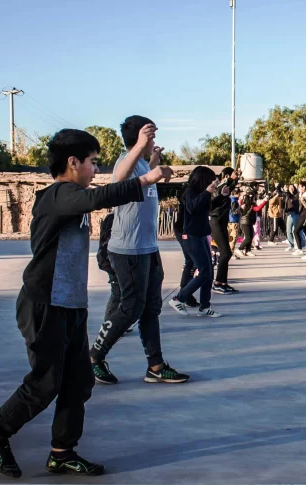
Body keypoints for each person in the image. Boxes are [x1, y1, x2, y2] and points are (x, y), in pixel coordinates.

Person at [0, 129, 173, 479]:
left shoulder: (72, 194)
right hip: (43, 304)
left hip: (69, 303)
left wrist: (147, 161)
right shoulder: (58, 195)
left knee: (79, 381)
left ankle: (62, 452)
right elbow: (101, 198)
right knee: (45, 382)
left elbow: (102, 194)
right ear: (73, 162)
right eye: (93, 162)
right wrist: (145, 178)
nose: (96, 170)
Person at [90, 115, 189, 386]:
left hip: (147, 247)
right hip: (128, 249)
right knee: (130, 308)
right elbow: (120, 179)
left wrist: (153, 159)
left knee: (150, 309)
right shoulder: (126, 160)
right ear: (139, 138)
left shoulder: (142, 162)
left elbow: (143, 178)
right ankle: (94, 357)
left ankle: (155, 366)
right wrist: (142, 152)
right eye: (151, 137)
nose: (154, 141)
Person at [169, 167, 222, 317]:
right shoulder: (189, 191)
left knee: (209, 272)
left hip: (201, 235)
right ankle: (178, 298)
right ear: (203, 179)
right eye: (211, 179)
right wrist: (207, 192)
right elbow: (192, 207)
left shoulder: (201, 193)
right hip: (191, 236)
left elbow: (206, 209)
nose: (213, 183)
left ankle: (204, 306)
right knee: (203, 270)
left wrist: (221, 196)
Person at [211, 167, 241, 294]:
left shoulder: (226, 187)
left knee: (227, 252)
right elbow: (224, 187)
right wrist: (231, 179)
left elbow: (230, 186)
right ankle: (218, 283)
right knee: (225, 253)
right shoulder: (220, 186)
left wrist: (236, 178)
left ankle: (223, 282)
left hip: (222, 223)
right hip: (215, 222)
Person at [174, 184, 199, 307]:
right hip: (184, 231)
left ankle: (185, 292)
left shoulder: (190, 192)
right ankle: (184, 293)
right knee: (190, 261)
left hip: (186, 230)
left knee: (190, 262)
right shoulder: (190, 193)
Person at [292, 181, 306, 256]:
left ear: (304, 187)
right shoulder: (300, 194)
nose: (299, 188)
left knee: (295, 231)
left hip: (305, 215)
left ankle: (300, 249)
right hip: (301, 215)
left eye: (300, 187)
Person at [284, 184, 304, 252]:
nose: (291, 189)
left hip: (296, 214)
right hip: (289, 214)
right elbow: (281, 194)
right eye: (290, 187)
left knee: (297, 230)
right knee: (288, 231)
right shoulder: (288, 195)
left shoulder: (296, 195)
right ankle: (291, 245)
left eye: (292, 187)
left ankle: (302, 244)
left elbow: (298, 198)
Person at [228, 188, 241, 257]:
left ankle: (230, 251)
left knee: (230, 237)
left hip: (230, 220)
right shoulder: (234, 201)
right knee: (233, 237)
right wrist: (239, 209)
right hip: (233, 220)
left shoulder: (229, 199)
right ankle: (231, 252)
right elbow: (234, 211)